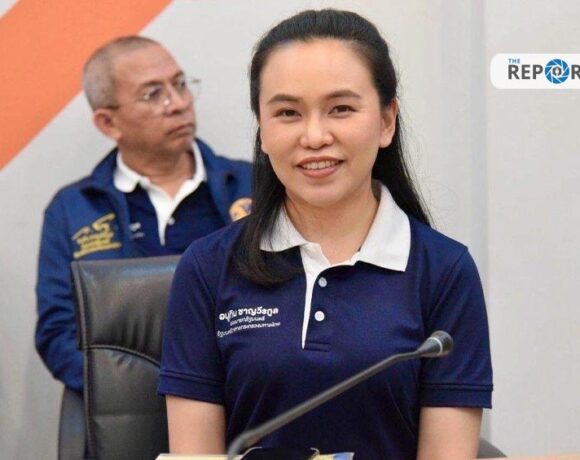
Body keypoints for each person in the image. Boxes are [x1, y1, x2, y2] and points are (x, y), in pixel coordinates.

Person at [158, 9, 492, 460]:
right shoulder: (208, 267)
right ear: (262, 130)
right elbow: (195, 454)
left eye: (341, 109)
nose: (314, 136)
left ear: (386, 121)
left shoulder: (444, 272)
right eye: (288, 113)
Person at [35, 36, 252, 393]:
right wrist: (158, 392)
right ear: (108, 123)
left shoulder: (252, 185)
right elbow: (59, 333)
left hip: (242, 400)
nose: (179, 103)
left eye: (180, 84)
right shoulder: (74, 209)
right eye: (153, 94)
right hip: (126, 406)